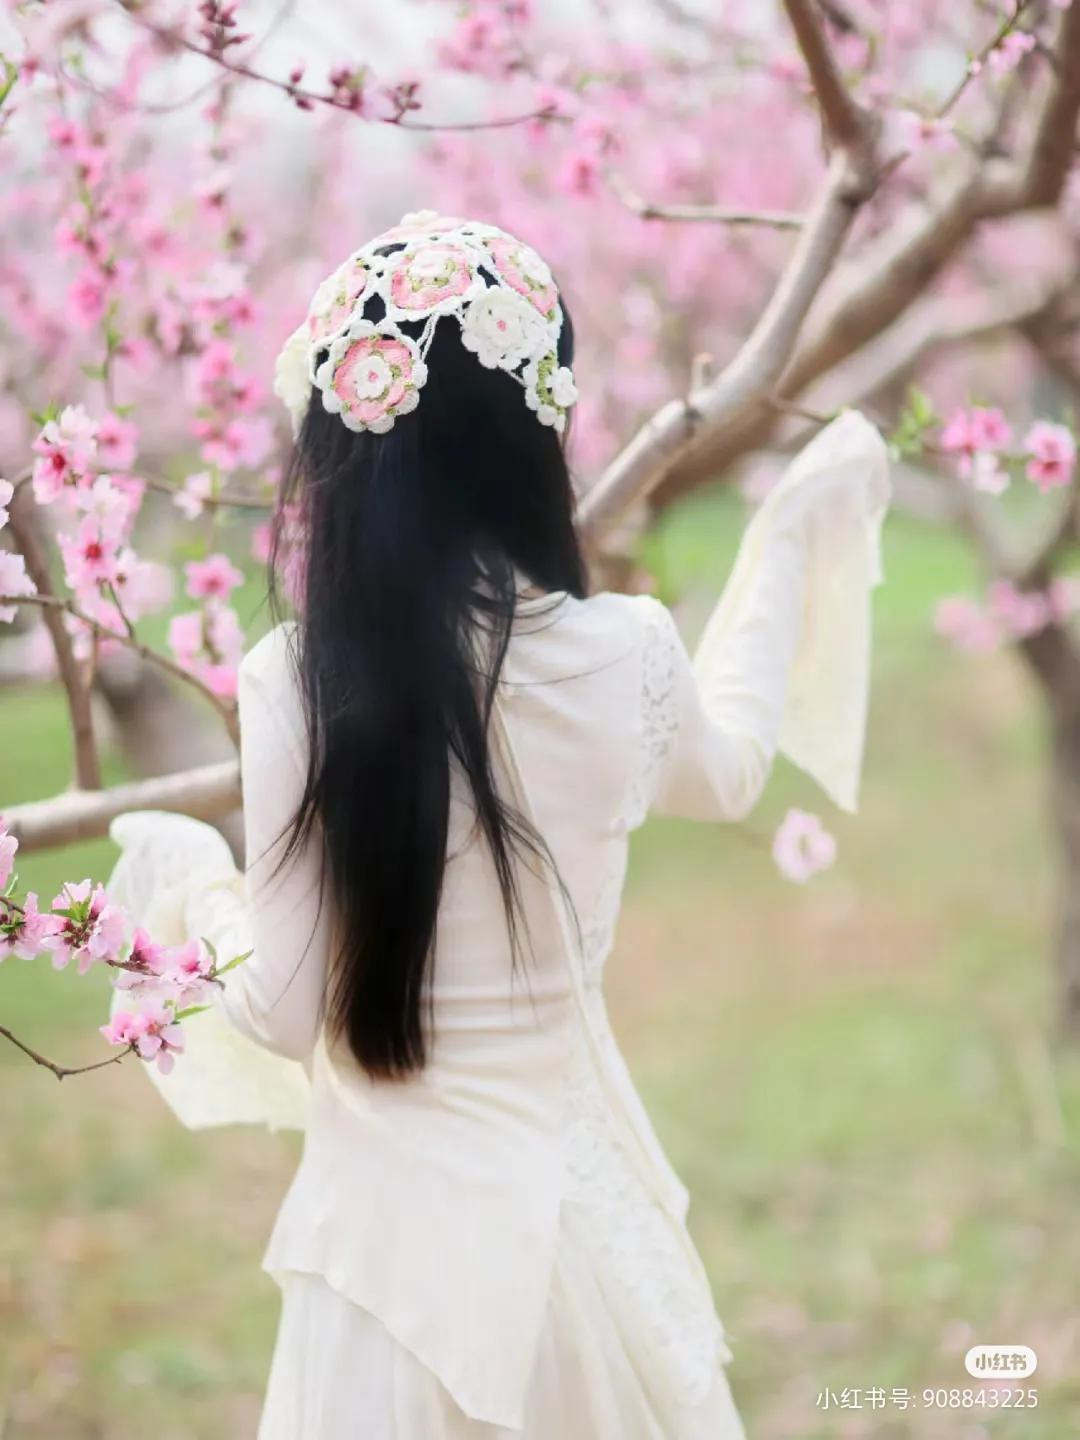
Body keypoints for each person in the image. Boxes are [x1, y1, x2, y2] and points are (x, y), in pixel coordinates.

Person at [109, 210, 890, 1439]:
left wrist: (189, 877)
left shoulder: (296, 674)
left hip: (392, 1270)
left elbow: (276, 1007)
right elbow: (730, 770)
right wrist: (783, 541)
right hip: (579, 1237)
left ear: (343, 444)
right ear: (535, 439)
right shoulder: (625, 650)